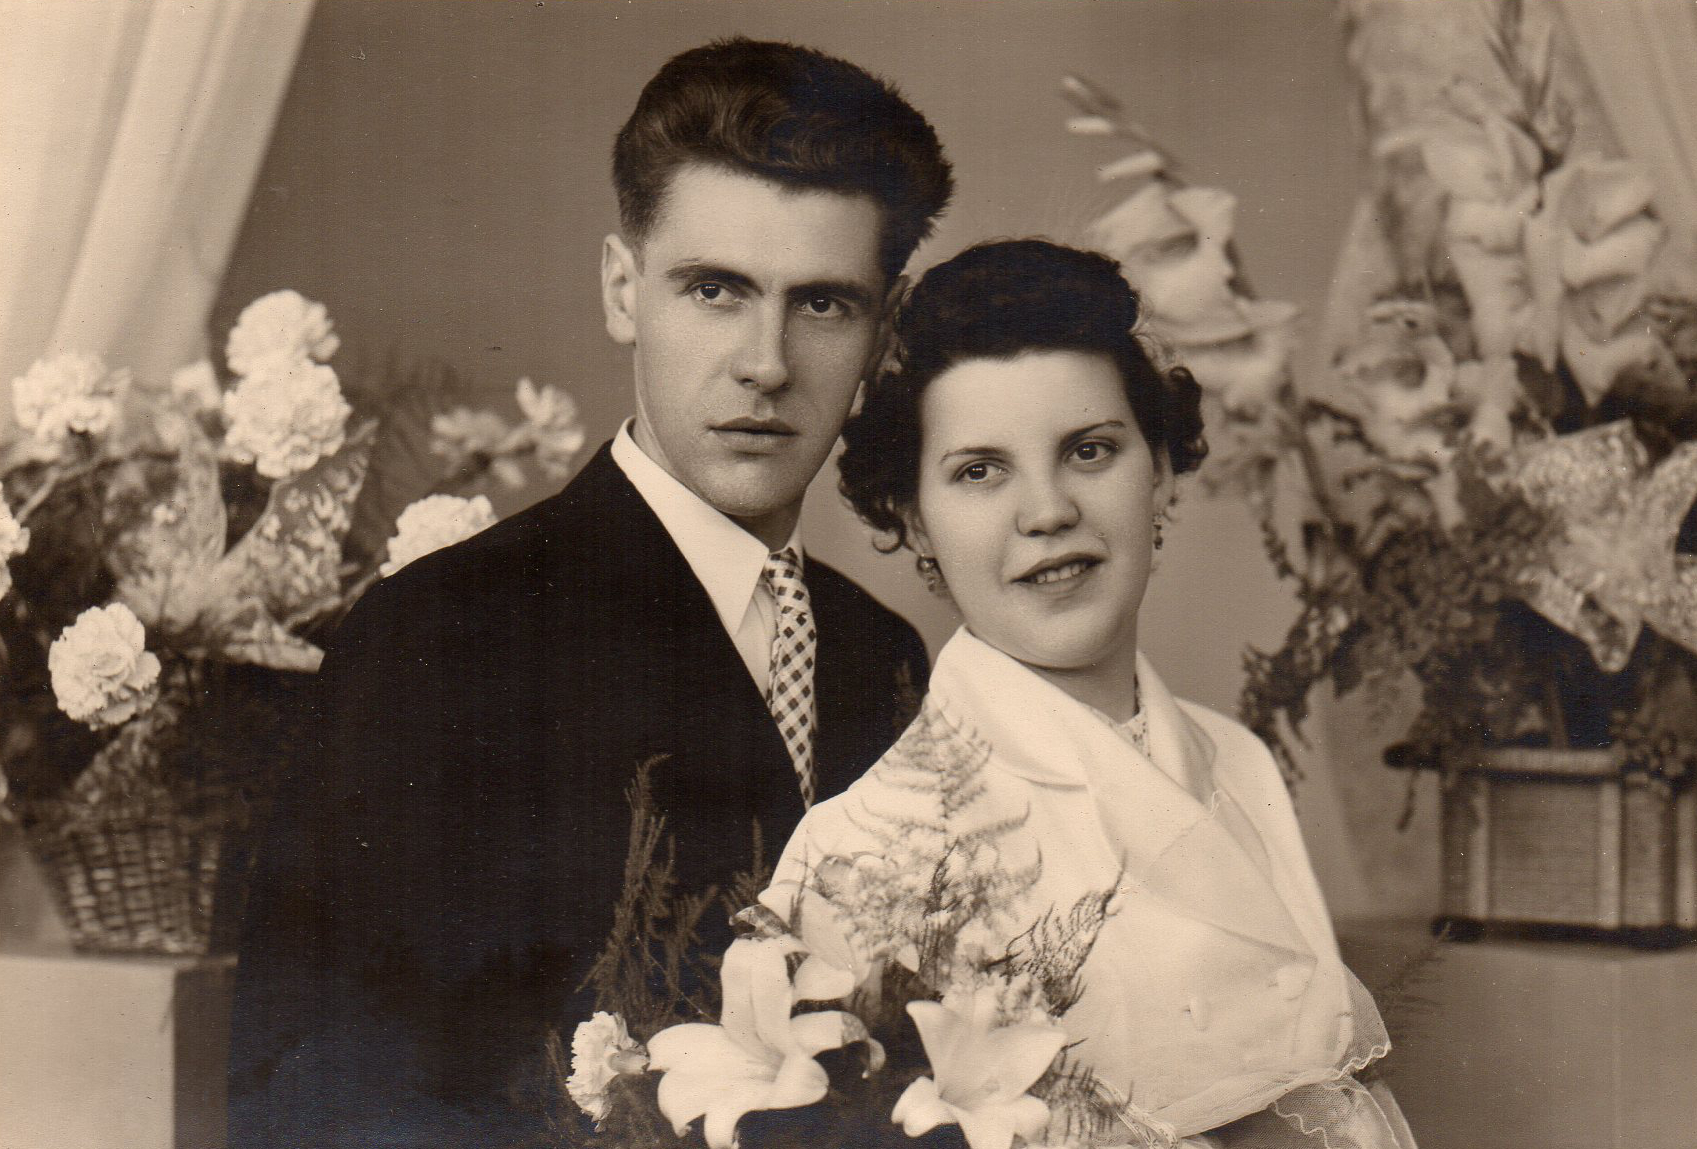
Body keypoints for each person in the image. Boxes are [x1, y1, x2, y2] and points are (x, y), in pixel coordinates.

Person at [229, 38, 952, 1147]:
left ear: (882, 334)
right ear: (623, 290)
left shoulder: (880, 655)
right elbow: (310, 1102)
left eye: (821, 304)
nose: (764, 362)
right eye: (713, 290)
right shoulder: (442, 635)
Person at [769, 240, 1418, 1148]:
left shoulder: (1236, 759)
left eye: (1088, 450)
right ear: (914, 517)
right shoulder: (861, 850)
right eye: (979, 470)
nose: (1047, 511)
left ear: (1159, 471)